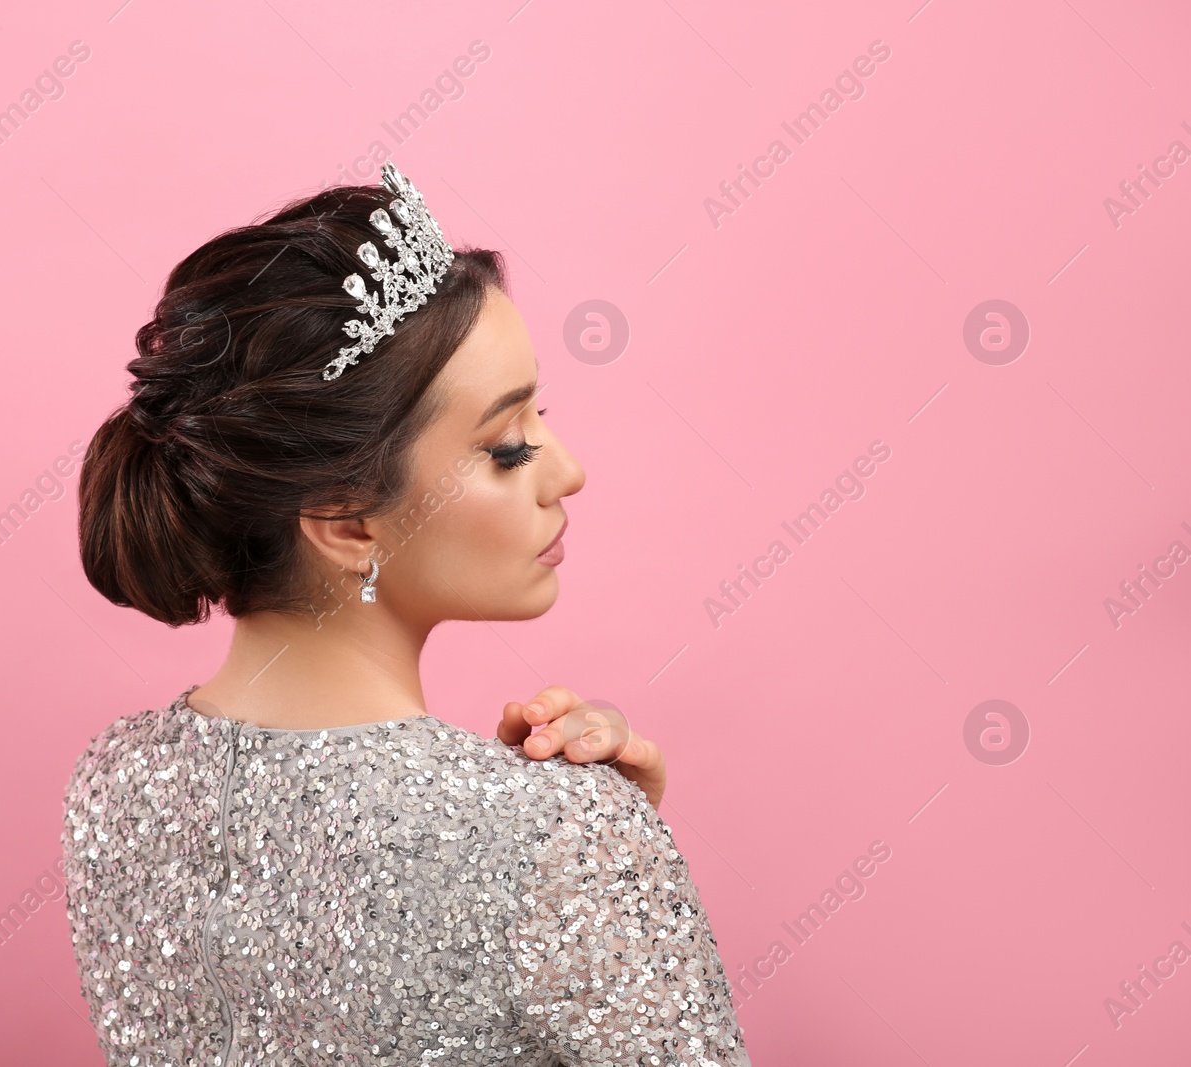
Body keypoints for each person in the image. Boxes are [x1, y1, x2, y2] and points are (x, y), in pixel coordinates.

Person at [61, 162, 752, 1065]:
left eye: (543, 414)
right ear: (348, 519)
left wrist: (597, 884)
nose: (566, 469)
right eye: (507, 446)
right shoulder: (552, 836)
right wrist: (594, 860)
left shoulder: (117, 782)